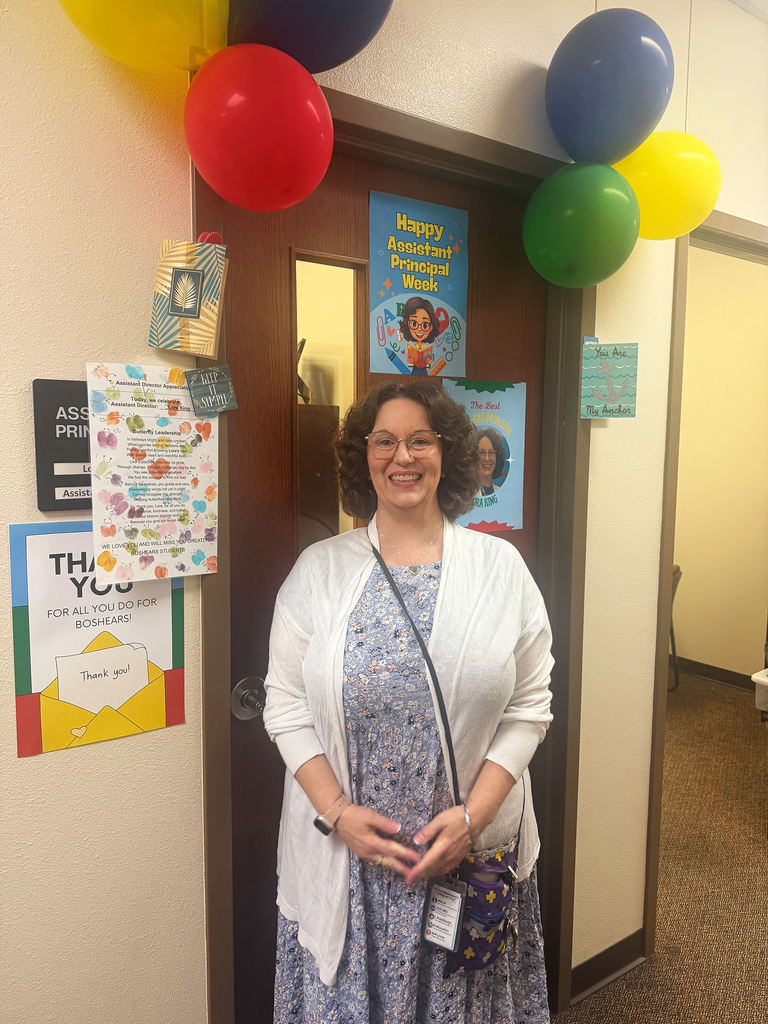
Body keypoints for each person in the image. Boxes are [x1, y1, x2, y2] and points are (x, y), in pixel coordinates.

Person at [264, 379, 554, 1024]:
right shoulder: (320, 570)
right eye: (385, 441)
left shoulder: (500, 568)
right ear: (362, 458)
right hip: (351, 866)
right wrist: (337, 813)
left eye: (421, 440)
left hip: (465, 860)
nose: (403, 457)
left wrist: (473, 819)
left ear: (446, 451)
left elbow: (531, 705)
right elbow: (284, 704)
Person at [399, 296, 441, 375]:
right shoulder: (411, 347)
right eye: (414, 323)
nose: (419, 329)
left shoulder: (426, 348)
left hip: (424, 371)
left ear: (430, 327)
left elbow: (430, 360)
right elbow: (409, 360)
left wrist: (429, 361)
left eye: (425, 325)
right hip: (415, 370)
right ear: (408, 323)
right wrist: (410, 361)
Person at [476, 426, 506, 496]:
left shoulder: (501, 493)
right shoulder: (467, 495)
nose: (487, 458)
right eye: (482, 453)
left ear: (497, 457)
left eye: (491, 452)